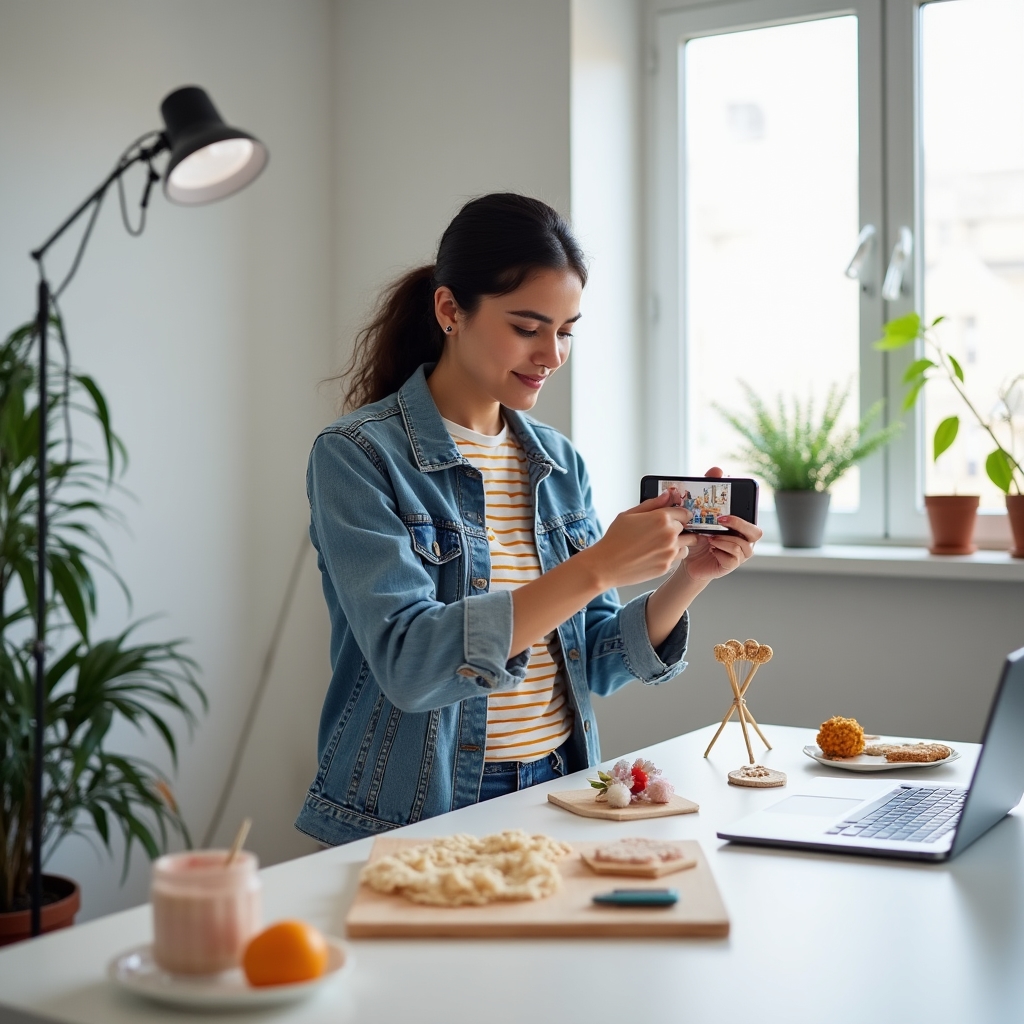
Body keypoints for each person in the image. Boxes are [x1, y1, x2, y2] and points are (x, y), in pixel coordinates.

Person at [295, 194, 762, 846]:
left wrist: (689, 576)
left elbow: (594, 660)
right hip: (420, 809)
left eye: (566, 330)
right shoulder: (358, 456)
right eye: (527, 327)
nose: (553, 354)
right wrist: (596, 568)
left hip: (559, 788)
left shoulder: (558, 462)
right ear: (450, 310)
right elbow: (409, 663)